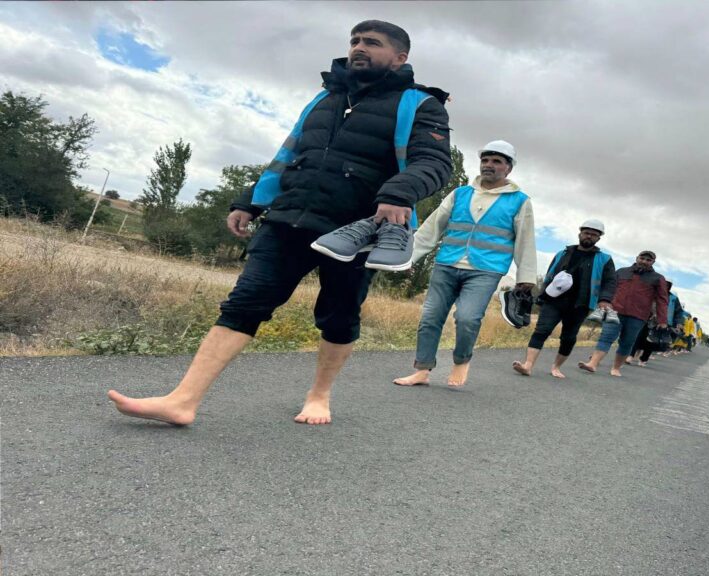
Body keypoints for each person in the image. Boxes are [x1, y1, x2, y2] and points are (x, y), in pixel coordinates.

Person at [108, 21, 453, 426]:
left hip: (355, 233)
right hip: (289, 218)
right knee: (244, 303)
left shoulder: (420, 105)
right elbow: (290, 153)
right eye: (355, 41)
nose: (359, 48)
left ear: (400, 57)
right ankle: (182, 401)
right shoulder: (325, 99)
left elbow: (435, 163)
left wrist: (399, 192)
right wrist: (251, 202)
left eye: (372, 43)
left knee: (338, 317)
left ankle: (319, 395)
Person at [393, 141, 536, 387]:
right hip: (447, 263)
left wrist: (526, 276)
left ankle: (461, 361)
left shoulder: (519, 201)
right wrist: (408, 258)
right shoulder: (460, 194)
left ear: (508, 169)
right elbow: (432, 226)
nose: (489, 165)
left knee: (468, 318)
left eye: (497, 161)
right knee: (430, 317)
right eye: (486, 160)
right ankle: (422, 370)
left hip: (485, 270)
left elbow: (526, 239)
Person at [511, 220, 616, 378]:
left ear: (598, 239)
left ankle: (556, 367)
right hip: (554, 300)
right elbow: (550, 274)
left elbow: (610, 281)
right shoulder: (563, 253)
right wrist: (542, 295)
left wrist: (605, 299)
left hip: (581, 303)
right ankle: (528, 365)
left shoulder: (605, 259)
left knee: (568, 337)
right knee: (542, 330)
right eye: (587, 233)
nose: (589, 236)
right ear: (580, 234)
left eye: (594, 235)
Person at [578, 251, 668, 377]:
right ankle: (592, 364)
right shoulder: (622, 272)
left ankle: (616, 368)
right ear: (637, 258)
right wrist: (604, 301)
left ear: (653, 262)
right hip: (615, 311)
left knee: (627, 342)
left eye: (648, 260)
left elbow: (662, 300)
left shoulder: (658, 278)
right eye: (642, 258)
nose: (644, 261)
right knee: (606, 337)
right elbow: (609, 287)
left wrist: (662, 320)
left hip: (638, 316)